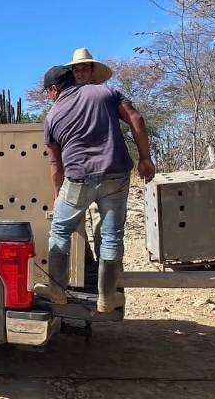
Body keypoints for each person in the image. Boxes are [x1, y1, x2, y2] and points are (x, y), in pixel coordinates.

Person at [36, 66, 155, 313]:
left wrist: (59, 195)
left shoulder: (52, 116)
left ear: (54, 89)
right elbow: (136, 118)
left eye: (47, 92)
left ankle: (57, 291)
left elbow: (55, 163)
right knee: (112, 236)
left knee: (59, 231)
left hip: (78, 179)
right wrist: (145, 158)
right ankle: (107, 298)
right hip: (116, 174)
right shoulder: (105, 93)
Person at [65, 47, 114, 264]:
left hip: (103, 167)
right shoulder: (67, 99)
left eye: (85, 67)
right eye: (77, 68)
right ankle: (85, 263)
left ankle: (105, 265)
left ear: (92, 70)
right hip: (76, 168)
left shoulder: (105, 96)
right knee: (74, 220)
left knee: (100, 220)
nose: (80, 72)